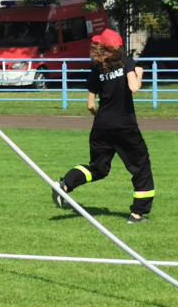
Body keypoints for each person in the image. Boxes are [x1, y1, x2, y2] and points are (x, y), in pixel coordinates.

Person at [54, 28, 155, 223]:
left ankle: (65, 184)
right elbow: (134, 88)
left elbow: (90, 105)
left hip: (101, 126)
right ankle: (137, 214)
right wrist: (139, 74)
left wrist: (101, 117)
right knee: (141, 167)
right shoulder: (126, 62)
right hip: (125, 126)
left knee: (98, 168)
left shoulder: (96, 70)